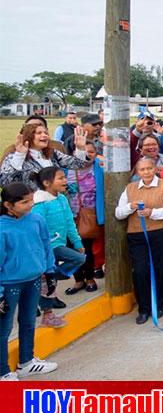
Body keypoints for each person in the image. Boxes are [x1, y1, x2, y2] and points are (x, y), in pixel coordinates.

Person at [0, 182, 59, 380]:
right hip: (9, 285)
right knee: (4, 328)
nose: (31, 204)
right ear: (9, 205)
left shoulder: (36, 219)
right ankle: (3, 372)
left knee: (28, 322)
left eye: (32, 199)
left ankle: (26, 362)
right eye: (25, 202)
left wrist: (50, 272)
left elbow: (45, 245)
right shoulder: (1, 227)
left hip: (33, 279)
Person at [115, 157, 163, 325]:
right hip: (136, 235)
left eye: (149, 169)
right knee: (140, 271)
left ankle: (158, 305)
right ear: (137, 172)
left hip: (161, 233)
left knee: (160, 268)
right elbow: (118, 213)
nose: (146, 172)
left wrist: (153, 213)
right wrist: (131, 207)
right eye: (142, 170)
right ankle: (143, 308)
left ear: (155, 169)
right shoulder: (130, 188)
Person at [31, 167, 88, 327]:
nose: (65, 181)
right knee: (49, 279)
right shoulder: (40, 204)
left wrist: (77, 243)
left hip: (58, 244)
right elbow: (37, 229)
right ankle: (46, 312)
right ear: (47, 183)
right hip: (47, 248)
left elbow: (70, 222)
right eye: (60, 178)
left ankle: (47, 304)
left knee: (49, 280)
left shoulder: (62, 199)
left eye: (64, 177)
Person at [1, 123, 90, 188]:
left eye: (46, 133)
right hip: (32, 207)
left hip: (55, 202)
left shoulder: (53, 153)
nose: (45, 135)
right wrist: (20, 155)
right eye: (39, 133)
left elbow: (79, 165)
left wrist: (80, 148)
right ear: (28, 136)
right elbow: (4, 182)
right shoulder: (14, 157)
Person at [65, 142, 102, 296]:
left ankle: (89, 278)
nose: (88, 155)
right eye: (83, 151)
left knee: (86, 248)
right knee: (71, 248)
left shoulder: (99, 168)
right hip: (69, 215)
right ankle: (78, 280)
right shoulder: (67, 169)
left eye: (91, 152)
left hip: (89, 214)